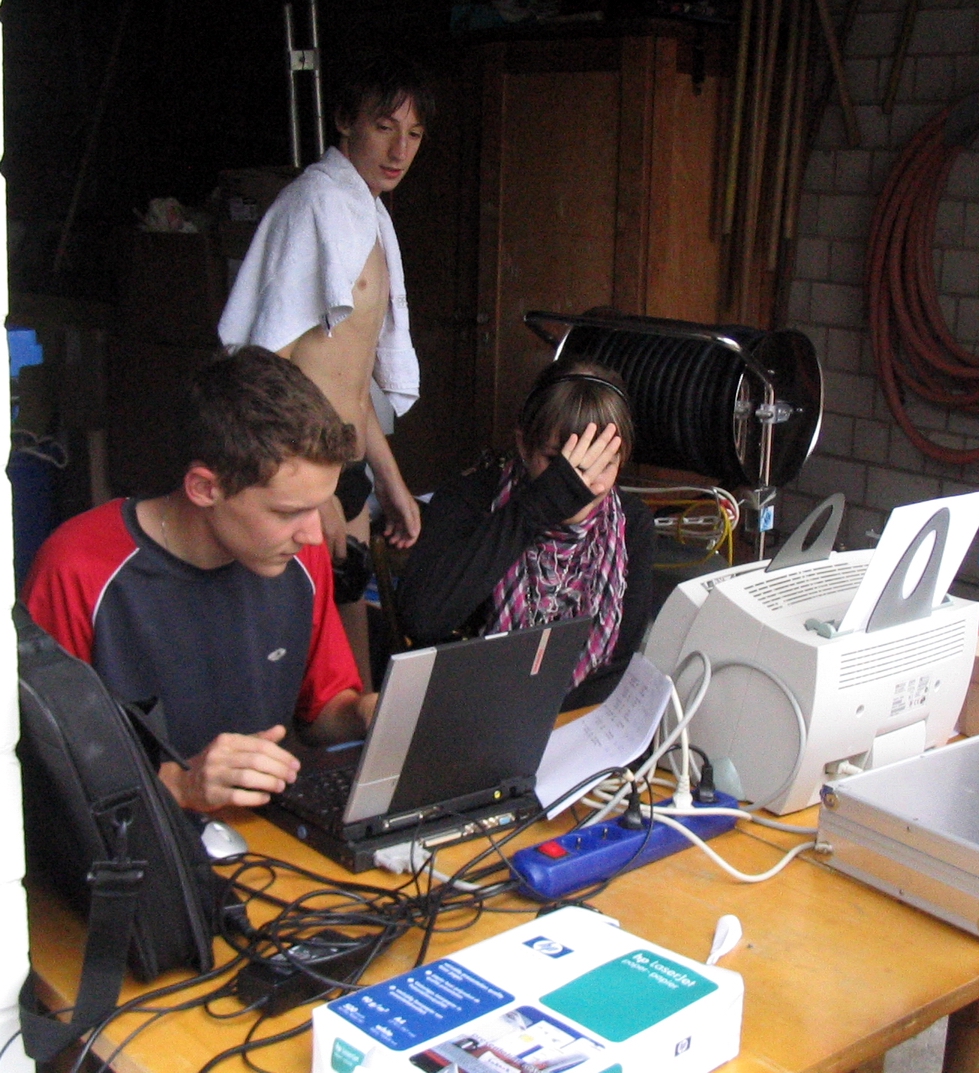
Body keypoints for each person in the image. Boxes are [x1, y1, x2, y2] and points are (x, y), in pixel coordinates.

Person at [22, 348, 376, 814]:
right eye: (288, 511)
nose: (313, 534)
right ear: (205, 488)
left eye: (320, 506)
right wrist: (180, 785)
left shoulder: (301, 558)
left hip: (267, 833)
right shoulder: (78, 567)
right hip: (142, 842)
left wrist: (365, 713)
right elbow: (37, 771)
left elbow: (322, 710)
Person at [218, 51, 434, 686]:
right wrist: (312, 496)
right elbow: (267, 371)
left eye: (414, 133)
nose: (399, 150)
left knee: (350, 661)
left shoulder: (368, 214)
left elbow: (349, 381)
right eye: (384, 127)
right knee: (294, 661)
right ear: (345, 121)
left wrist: (389, 482)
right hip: (295, 473)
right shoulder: (314, 204)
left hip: (343, 470)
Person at [397, 360, 662, 710]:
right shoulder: (470, 500)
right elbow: (423, 620)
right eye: (558, 463)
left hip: (576, 719)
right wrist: (534, 509)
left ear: (622, 457)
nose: (581, 485)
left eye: (602, 463)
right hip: (468, 707)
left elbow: (617, 660)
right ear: (524, 446)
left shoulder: (631, 523)